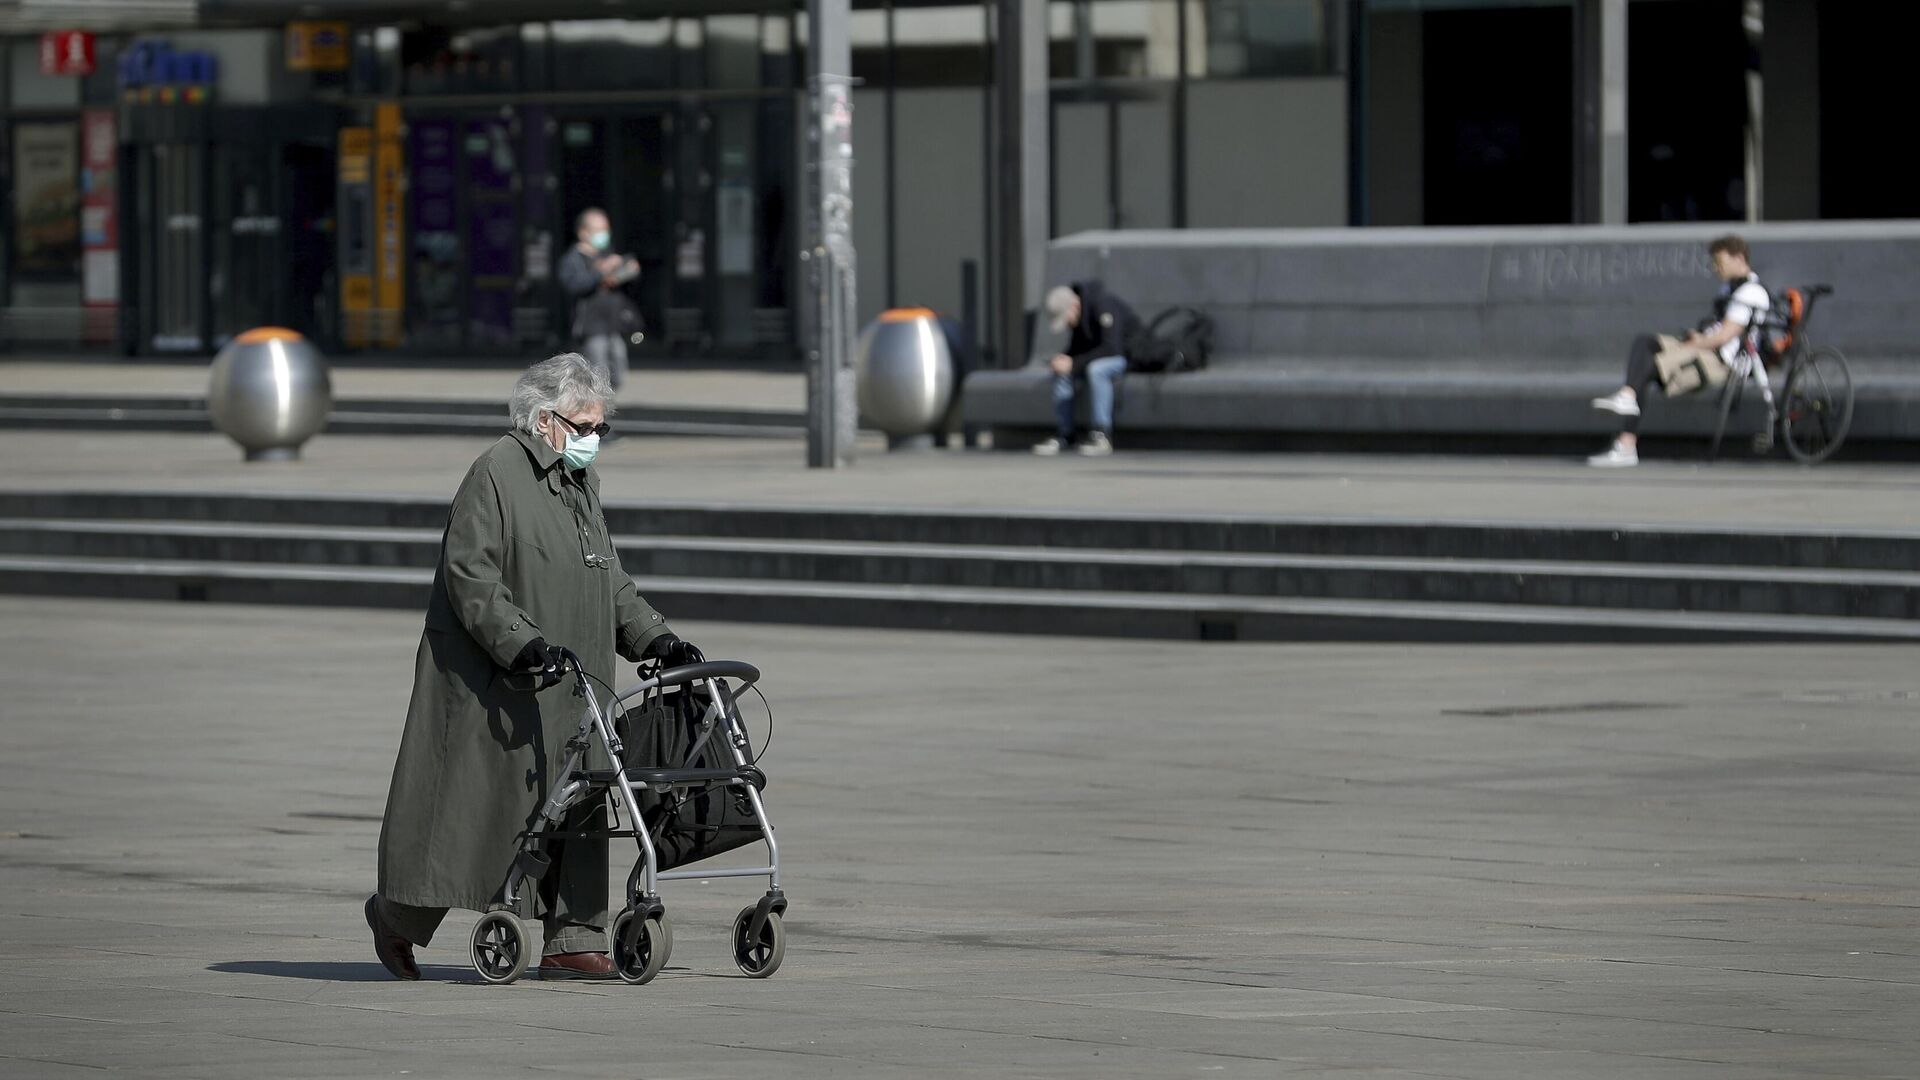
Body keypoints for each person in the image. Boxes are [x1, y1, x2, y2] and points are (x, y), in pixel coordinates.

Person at [366, 353, 704, 982]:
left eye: (601, 428)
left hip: (578, 681)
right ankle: (397, 917)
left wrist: (657, 640)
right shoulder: (495, 472)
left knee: (580, 805)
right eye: (586, 426)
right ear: (545, 421)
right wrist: (520, 643)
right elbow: (472, 576)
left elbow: (611, 579)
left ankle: (574, 937)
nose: (595, 440)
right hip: (507, 682)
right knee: (471, 818)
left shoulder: (579, 485)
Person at [1588, 234, 1771, 468]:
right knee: (1645, 343)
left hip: (1722, 362)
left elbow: (1725, 336)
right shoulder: (1729, 288)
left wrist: (1693, 344)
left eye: (1719, 262)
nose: (1715, 268)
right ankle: (1627, 399)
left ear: (1739, 258)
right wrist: (1697, 337)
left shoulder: (1752, 292)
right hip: (1705, 348)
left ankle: (1626, 442)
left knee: (1651, 366)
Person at [1034, 279, 1140, 456]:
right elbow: (1078, 348)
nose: (1067, 324)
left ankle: (1101, 435)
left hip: (1126, 357)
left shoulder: (1102, 304)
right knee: (1063, 372)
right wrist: (1064, 359)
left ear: (1074, 306)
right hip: (1099, 357)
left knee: (1096, 370)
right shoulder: (1079, 319)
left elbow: (1111, 347)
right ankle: (1066, 435)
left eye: (1065, 318)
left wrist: (1074, 363)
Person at [556, 208, 639, 391]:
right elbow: (574, 285)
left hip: (614, 325)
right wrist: (600, 272)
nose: (604, 235)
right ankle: (593, 410)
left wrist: (625, 270)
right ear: (583, 233)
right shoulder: (572, 260)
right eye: (599, 230)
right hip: (592, 328)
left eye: (606, 229)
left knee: (618, 370)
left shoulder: (606, 254)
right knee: (597, 374)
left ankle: (601, 403)